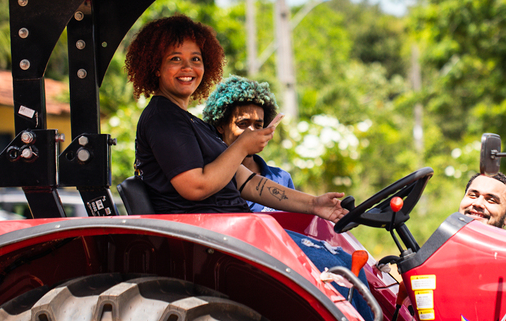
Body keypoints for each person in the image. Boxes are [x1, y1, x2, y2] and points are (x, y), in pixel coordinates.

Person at [125, 14, 344, 222]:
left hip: (233, 231)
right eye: (175, 59)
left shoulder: (192, 123)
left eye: (195, 59)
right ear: (155, 67)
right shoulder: (163, 118)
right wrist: (242, 146)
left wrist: (314, 204)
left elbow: (247, 182)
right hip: (209, 241)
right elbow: (195, 187)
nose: (188, 67)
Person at [202, 75, 294, 213]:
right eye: (242, 124)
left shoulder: (281, 178)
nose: (251, 132)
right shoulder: (208, 179)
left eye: (258, 125)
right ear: (220, 125)